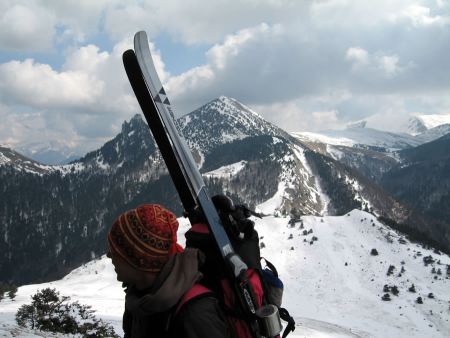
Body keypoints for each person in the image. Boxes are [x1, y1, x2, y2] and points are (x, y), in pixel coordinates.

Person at [107, 203, 230, 338]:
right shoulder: (138, 298)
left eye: (116, 251)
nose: (109, 255)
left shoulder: (195, 315)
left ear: (139, 260)